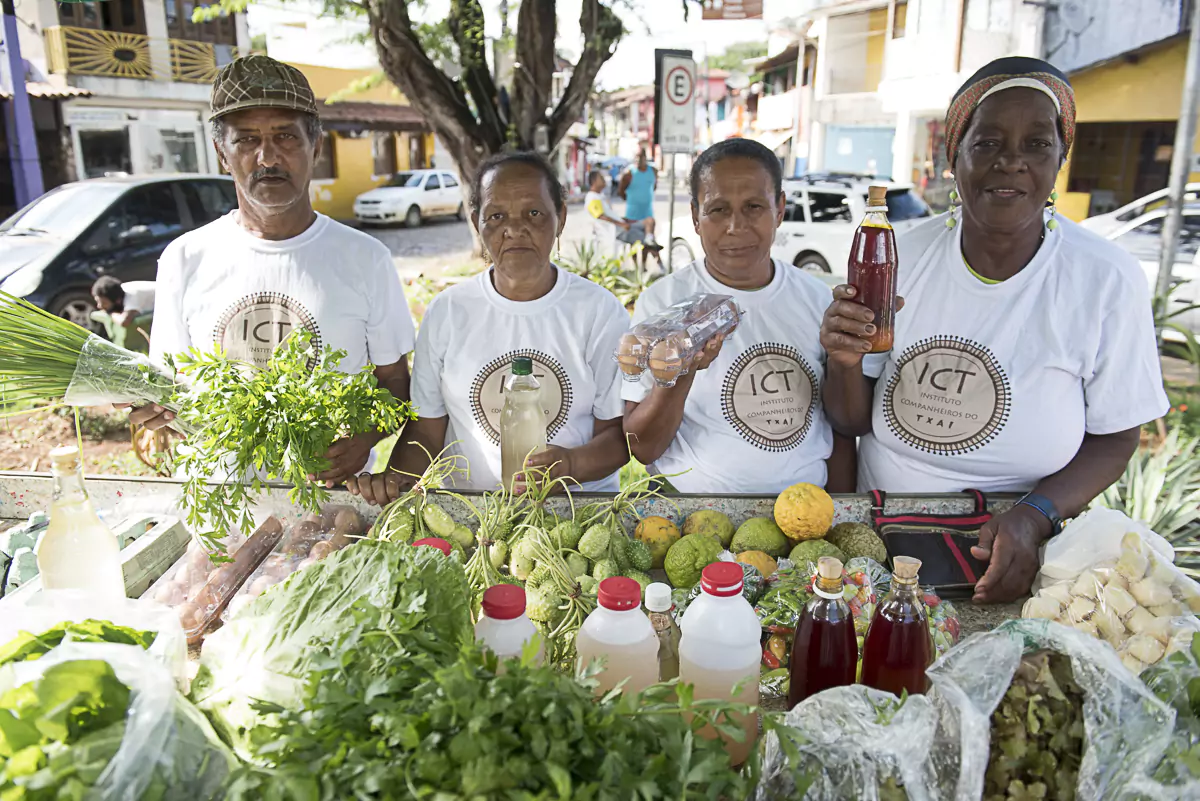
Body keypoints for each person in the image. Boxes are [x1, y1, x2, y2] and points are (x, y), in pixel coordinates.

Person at [820, 57, 1169, 603]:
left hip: (1020, 540)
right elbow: (851, 417)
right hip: (884, 526)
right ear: (952, 157)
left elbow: (1117, 436)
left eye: (1036, 144)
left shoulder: (1104, 277)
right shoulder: (896, 257)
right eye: (987, 144)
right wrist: (842, 362)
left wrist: (1035, 515)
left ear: (1059, 159)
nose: (1011, 162)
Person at [129, 55, 416, 487]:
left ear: (315, 147)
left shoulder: (365, 258)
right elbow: (168, 394)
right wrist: (150, 412)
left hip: (331, 503)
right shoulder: (185, 258)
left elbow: (395, 384)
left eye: (285, 136)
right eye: (246, 141)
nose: (268, 157)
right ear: (221, 154)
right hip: (218, 501)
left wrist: (363, 439)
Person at [347, 152, 630, 504]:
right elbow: (426, 431)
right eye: (496, 216)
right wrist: (395, 486)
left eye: (534, 213)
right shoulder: (448, 313)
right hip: (473, 517)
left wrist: (571, 463)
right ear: (476, 223)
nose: (514, 229)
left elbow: (619, 437)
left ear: (561, 217)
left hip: (576, 515)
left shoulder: (599, 312)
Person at [623, 139, 855, 495]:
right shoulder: (662, 303)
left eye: (753, 206)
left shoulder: (817, 300)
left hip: (802, 517)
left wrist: (840, 509)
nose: (735, 226)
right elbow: (642, 446)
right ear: (696, 217)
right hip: (693, 517)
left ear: (779, 209)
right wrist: (681, 373)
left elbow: (839, 428)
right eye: (717, 209)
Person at [585, 171, 662, 266]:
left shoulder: (600, 196)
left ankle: (646, 260)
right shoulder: (592, 198)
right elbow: (600, 216)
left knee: (649, 223)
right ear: (594, 181)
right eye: (600, 177)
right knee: (647, 240)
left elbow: (608, 215)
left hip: (621, 226)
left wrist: (625, 220)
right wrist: (622, 224)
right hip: (617, 231)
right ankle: (657, 266)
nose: (604, 180)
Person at [619, 150, 664, 272]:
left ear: (645, 157)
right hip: (632, 214)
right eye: (636, 157)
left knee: (647, 242)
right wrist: (632, 200)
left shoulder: (653, 172)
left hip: (647, 212)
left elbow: (653, 187)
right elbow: (621, 190)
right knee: (633, 242)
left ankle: (643, 266)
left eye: (641, 157)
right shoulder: (629, 173)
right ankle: (635, 267)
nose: (639, 160)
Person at [91, 276, 154, 353]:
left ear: (117, 301)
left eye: (104, 303)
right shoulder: (118, 292)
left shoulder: (132, 296)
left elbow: (124, 322)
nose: (99, 306)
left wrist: (111, 313)